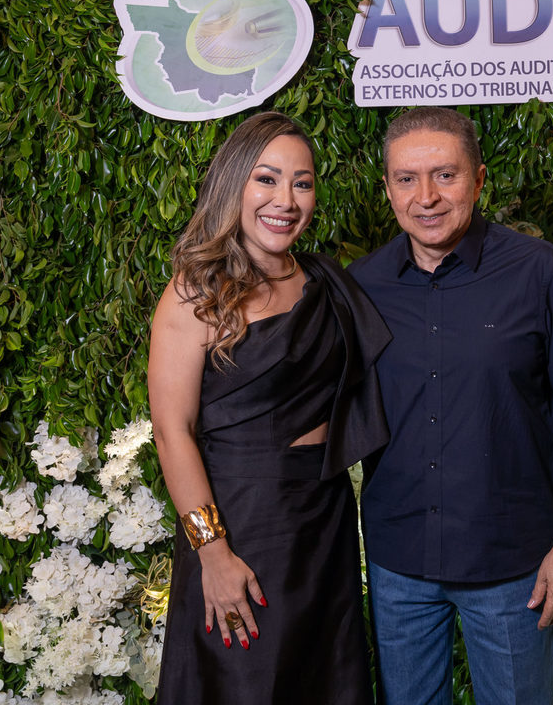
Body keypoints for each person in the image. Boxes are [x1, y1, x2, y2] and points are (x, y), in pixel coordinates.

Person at [350, 107, 553, 705]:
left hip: (514, 565)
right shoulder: (362, 284)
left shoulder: (538, 271)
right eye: (407, 178)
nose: (425, 197)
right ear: (388, 187)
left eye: (445, 175)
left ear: (478, 179)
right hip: (398, 562)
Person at [148, 112, 390, 705]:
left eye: (302, 183)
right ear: (235, 184)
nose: (286, 200)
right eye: (267, 179)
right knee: (243, 684)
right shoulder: (195, 291)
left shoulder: (327, 281)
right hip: (241, 522)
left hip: (324, 520)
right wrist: (213, 553)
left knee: (323, 681)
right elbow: (173, 431)